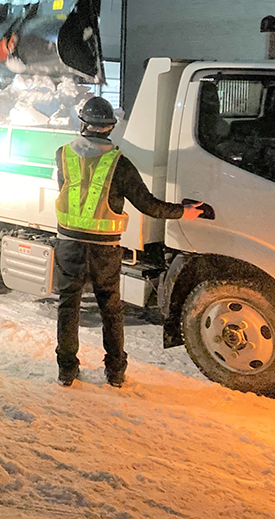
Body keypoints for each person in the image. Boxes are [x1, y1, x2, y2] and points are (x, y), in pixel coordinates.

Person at [54, 96, 204, 388]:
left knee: (67, 307)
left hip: (68, 244)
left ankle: (66, 370)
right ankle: (115, 372)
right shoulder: (118, 163)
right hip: (104, 249)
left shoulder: (62, 154)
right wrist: (183, 212)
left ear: (82, 124)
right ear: (109, 128)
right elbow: (148, 204)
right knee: (110, 309)